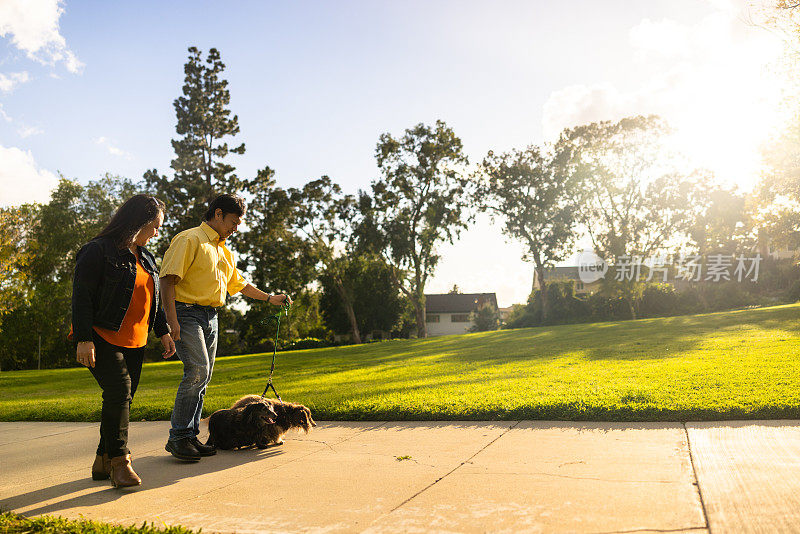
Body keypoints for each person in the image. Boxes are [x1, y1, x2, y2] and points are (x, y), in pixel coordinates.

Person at [160, 193, 292, 461]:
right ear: (218, 214)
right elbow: (167, 280)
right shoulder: (189, 239)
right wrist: (171, 320)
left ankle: (190, 436)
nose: (236, 227)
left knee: (204, 376)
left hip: (211, 316)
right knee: (196, 371)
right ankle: (179, 437)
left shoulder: (223, 250)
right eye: (233, 221)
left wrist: (269, 298)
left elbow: (239, 284)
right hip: (186, 313)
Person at [72, 194, 176, 488]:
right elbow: (81, 296)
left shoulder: (146, 257)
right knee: (120, 391)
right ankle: (120, 462)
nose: (157, 232)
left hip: (136, 340)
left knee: (121, 399)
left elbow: (151, 299)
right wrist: (83, 338)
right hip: (101, 336)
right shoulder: (96, 250)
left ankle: (102, 460)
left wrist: (163, 331)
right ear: (138, 222)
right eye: (154, 226)